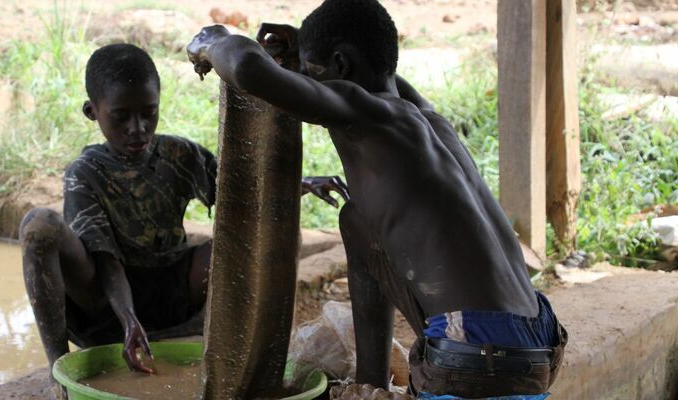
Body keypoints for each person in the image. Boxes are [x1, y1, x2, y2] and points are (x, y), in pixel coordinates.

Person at [187, 0, 567, 398]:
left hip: (474, 352)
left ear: (342, 66)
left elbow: (248, 69)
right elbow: (380, 74)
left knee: (360, 220)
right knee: (358, 221)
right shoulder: (427, 118)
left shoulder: (370, 115)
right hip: (536, 338)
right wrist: (306, 51)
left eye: (315, 76)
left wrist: (214, 39)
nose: (308, 84)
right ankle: (370, 385)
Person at [20, 43, 348, 398]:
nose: (138, 128)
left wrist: (296, 184)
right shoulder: (85, 173)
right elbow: (106, 260)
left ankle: (238, 345)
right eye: (121, 116)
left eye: (149, 113)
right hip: (106, 303)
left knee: (254, 237)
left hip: (171, 293)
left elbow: (241, 197)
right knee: (39, 225)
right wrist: (129, 320)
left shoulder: (178, 154)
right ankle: (58, 374)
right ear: (92, 112)